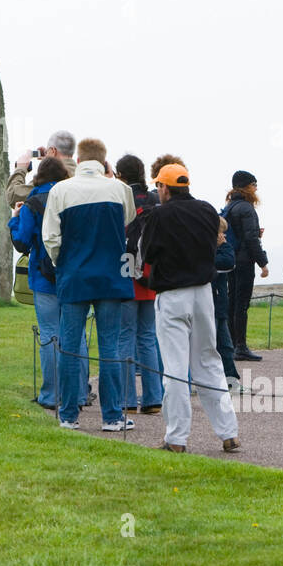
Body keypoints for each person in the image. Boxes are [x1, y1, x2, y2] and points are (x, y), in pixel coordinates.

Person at [140, 163, 240, 453]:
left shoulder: (158, 215)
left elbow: (148, 252)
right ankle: (228, 432)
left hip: (172, 294)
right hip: (203, 292)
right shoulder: (208, 210)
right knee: (209, 362)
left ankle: (177, 437)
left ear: (163, 187)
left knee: (174, 368)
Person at [43, 138, 136, 432]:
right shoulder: (120, 189)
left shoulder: (61, 190)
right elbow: (128, 218)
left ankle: (69, 414)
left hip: (74, 275)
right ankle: (111, 416)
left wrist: (63, 263)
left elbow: (51, 237)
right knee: (109, 345)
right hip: (110, 275)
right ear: (105, 161)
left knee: (70, 345)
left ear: (79, 159)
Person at [8, 156, 72, 409]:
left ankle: (50, 395)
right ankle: (76, 395)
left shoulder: (34, 201)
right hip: (72, 274)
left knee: (49, 334)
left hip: (43, 275)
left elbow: (22, 241)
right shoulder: (72, 197)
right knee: (73, 335)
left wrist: (15, 218)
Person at [116, 154, 163, 414]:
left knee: (125, 336)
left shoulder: (120, 197)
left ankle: (126, 400)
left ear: (121, 175)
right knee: (147, 337)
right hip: (150, 271)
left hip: (125, 269)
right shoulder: (155, 199)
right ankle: (153, 398)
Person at [224, 171, 269, 362]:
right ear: (246, 187)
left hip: (231, 260)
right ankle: (241, 346)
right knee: (242, 304)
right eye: (254, 184)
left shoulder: (230, 206)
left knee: (232, 302)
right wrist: (263, 263)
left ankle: (231, 344)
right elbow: (251, 239)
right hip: (244, 262)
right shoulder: (247, 208)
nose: (256, 188)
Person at [7, 130, 76, 208]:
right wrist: (48, 161)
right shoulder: (80, 173)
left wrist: (20, 168)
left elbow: (14, 196)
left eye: (47, 152)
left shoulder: (49, 177)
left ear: (53, 151)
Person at [212, 216, 241, 391]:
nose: (224, 236)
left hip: (219, 303)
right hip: (214, 302)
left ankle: (231, 379)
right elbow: (228, 262)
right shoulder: (217, 250)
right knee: (217, 344)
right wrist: (223, 246)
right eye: (222, 233)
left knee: (225, 345)